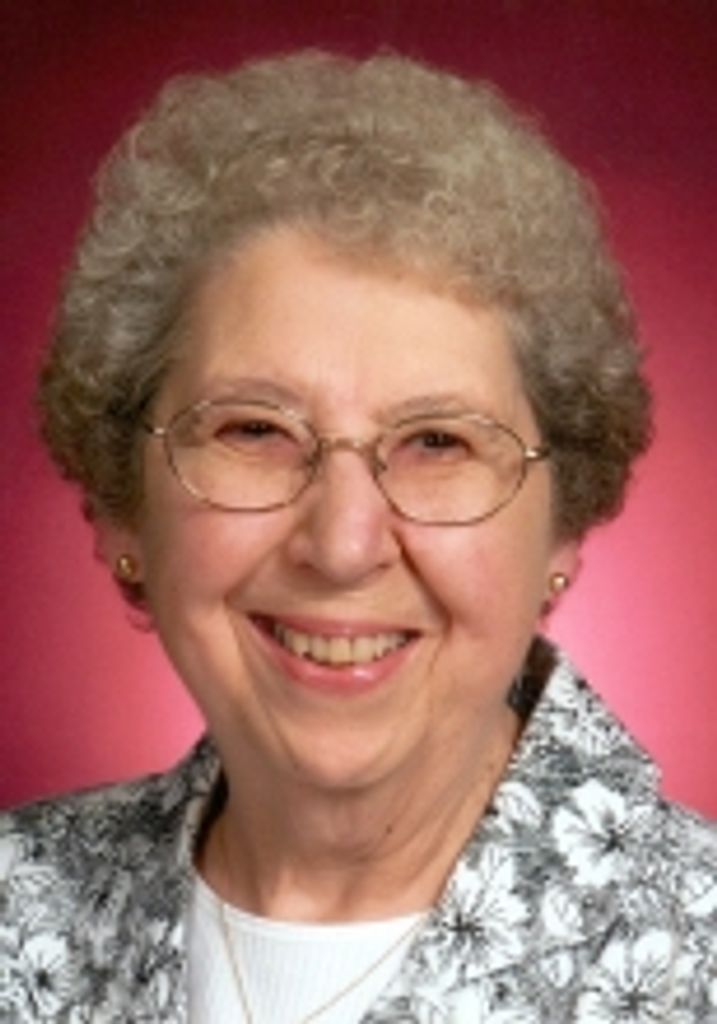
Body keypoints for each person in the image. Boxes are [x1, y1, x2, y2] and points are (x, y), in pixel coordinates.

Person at [1, 50, 715, 1024]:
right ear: (126, 504)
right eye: (254, 430)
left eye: (438, 442)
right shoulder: (19, 905)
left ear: (562, 526)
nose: (342, 544)